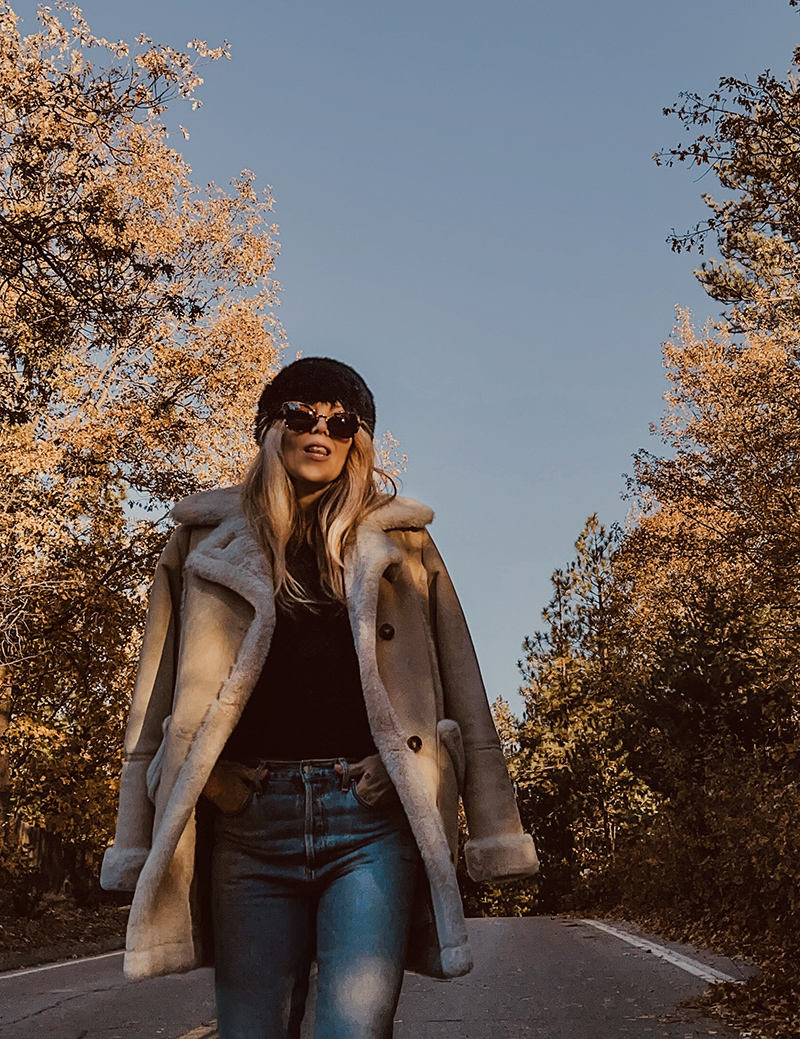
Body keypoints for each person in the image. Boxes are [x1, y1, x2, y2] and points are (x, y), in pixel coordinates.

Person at [101, 357, 538, 1039]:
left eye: (341, 422)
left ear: (357, 441)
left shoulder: (405, 545)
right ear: (272, 427)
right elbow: (153, 699)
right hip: (248, 824)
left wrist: (493, 829)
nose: (320, 431)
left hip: (370, 819)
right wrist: (195, 796)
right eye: (301, 414)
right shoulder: (198, 542)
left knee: (351, 1031)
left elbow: (465, 687)